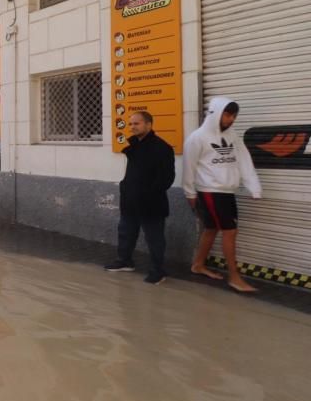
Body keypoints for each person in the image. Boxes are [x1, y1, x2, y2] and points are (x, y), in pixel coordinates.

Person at [183, 97, 262, 293]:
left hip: (227, 191)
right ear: (215, 113)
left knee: (211, 229)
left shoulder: (233, 136)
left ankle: (198, 264)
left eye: (234, 115)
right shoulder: (197, 138)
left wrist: (254, 185)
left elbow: (244, 160)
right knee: (230, 232)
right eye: (228, 115)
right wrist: (189, 192)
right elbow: (188, 167)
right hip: (210, 191)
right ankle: (234, 277)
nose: (231, 119)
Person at [104, 111, 175, 284]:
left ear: (149, 125)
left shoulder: (162, 147)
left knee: (154, 238)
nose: (132, 127)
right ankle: (125, 261)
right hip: (130, 201)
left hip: (151, 204)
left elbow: (167, 178)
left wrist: (148, 194)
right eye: (131, 124)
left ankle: (158, 271)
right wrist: (126, 188)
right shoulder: (135, 145)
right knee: (126, 232)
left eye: (137, 123)